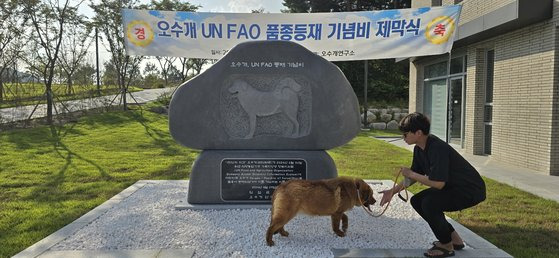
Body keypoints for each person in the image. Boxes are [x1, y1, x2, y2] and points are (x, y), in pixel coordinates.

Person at [379, 112, 486, 258]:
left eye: (405, 134)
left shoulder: (437, 148)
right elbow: (414, 176)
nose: (403, 137)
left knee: (430, 203)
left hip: (469, 191)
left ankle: (446, 246)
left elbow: (438, 184)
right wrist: (392, 191)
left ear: (418, 133)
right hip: (453, 188)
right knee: (417, 201)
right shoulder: (419, 148)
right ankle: (455, 240)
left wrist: (411, 174)